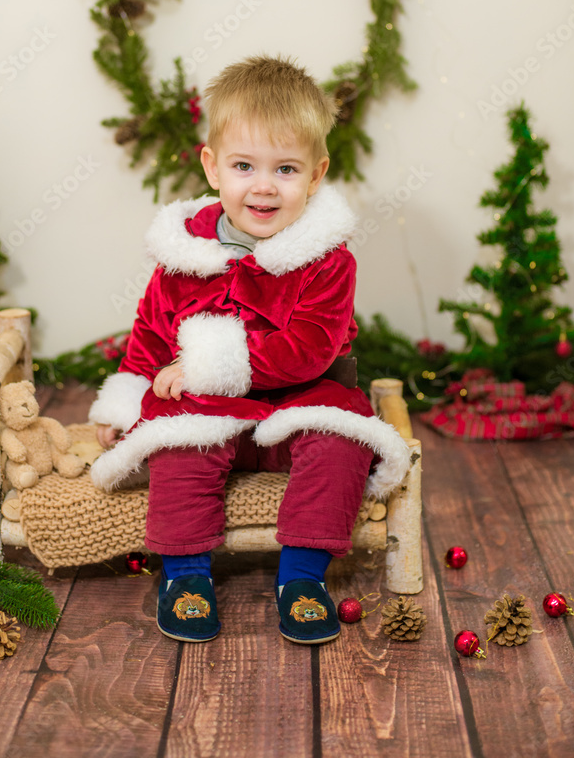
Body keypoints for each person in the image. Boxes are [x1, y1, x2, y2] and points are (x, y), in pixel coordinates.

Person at [89, 55, 410, 645]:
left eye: (285, 169)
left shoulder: (326, 260)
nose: (263, 186)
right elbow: (151, 337)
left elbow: (310, 348)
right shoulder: (184, 257)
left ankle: (303, 576)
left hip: (296, 405)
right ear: (213, 168)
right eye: (244, 166)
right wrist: (126, 407)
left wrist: (211, 366)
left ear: (315, 176)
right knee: (177, 442)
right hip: (211, 415)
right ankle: (185, 575)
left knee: (344, 438)